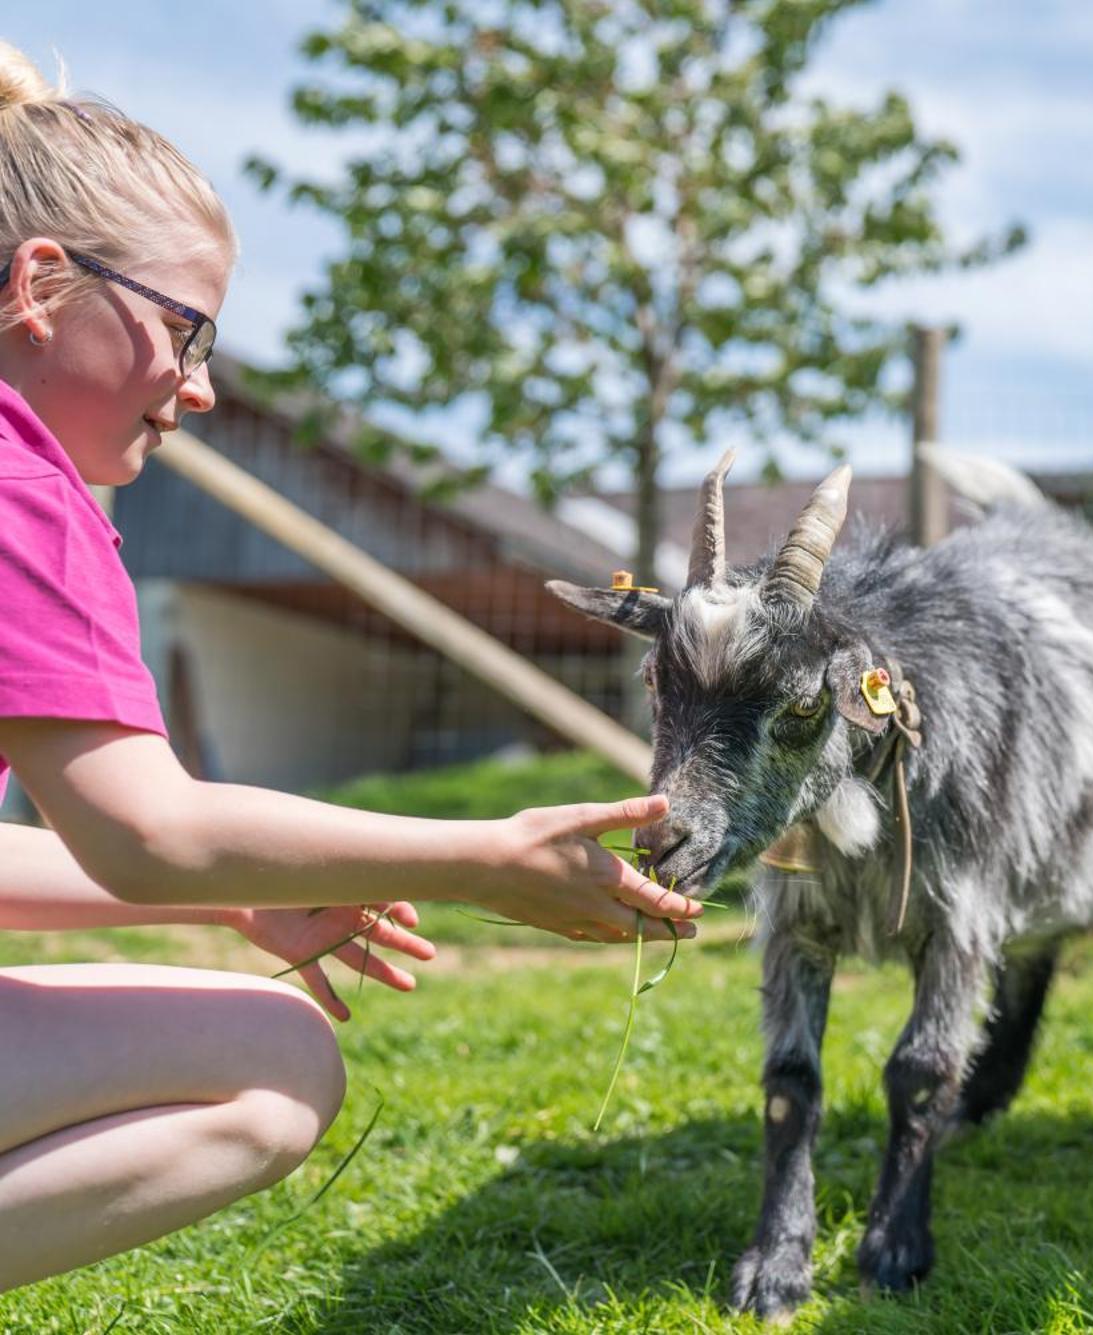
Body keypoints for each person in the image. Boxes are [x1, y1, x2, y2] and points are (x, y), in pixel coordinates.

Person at [0, 43, 698, 1292]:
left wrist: (224, 898)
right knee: (276, 1065)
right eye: (184, 331)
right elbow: (150, 832)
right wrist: (486, 859)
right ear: (44, 283)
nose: (202, 388)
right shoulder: (22, 493)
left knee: (265, 1059)